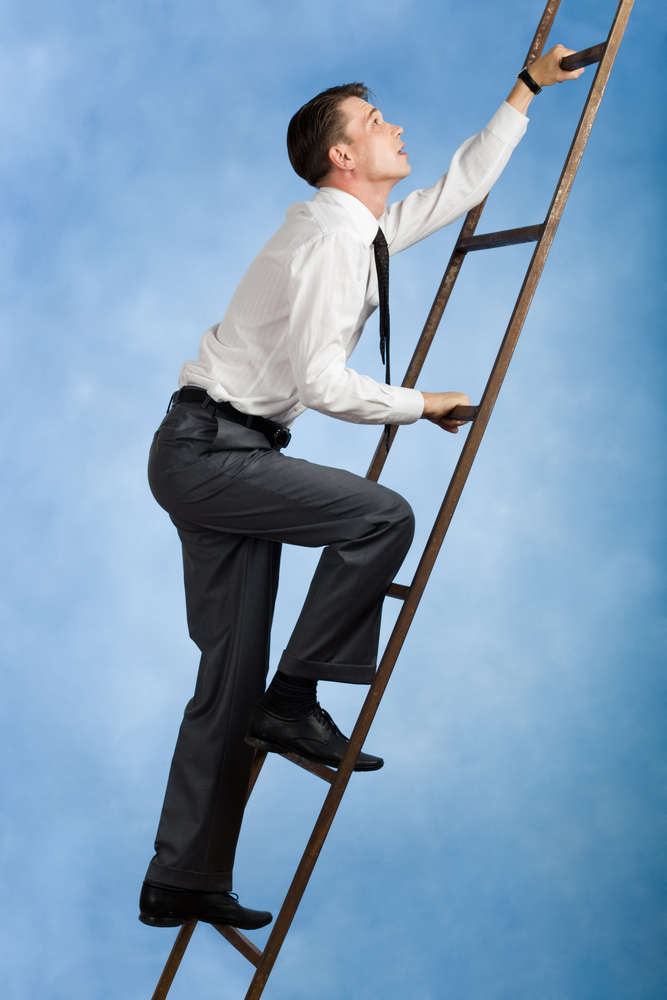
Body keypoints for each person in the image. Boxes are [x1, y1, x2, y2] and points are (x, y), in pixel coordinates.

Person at [138, 46, 584, 931]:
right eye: (376, 123)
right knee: (381, 515)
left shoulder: (352, 228)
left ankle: (177, 879)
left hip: (218, 449)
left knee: (225, 685)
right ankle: (296, 698)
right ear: (342, 155)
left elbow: (453, 188)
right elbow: (319, 383)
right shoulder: (332, 242)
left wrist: (524, 92)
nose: (396, 126)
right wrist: (424, 404)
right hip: (214, 453)